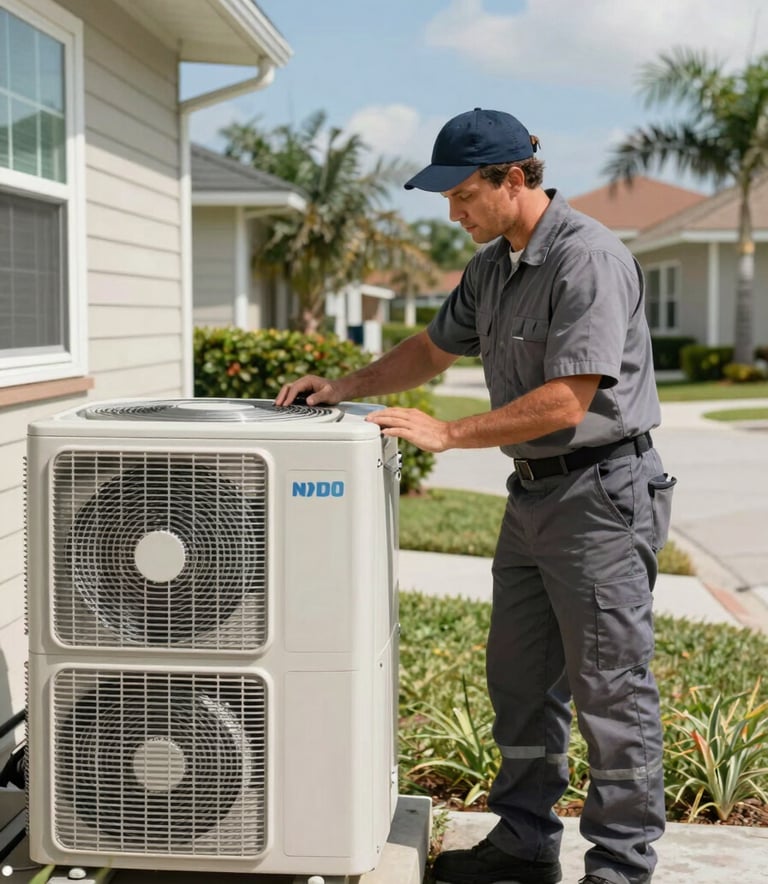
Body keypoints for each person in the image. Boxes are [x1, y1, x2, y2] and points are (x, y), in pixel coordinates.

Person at [276, 107, 675, 884]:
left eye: (462, 196)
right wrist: (345, 387)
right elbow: (432, 346)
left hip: (601, 497)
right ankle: (525, 842)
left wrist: (448, 435)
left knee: (610, 690)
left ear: (514, 179)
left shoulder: (585, 259)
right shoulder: (493, 267)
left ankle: (622, 868)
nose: (452, 213)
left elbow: (568, 400)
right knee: (520, 684)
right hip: (532, 499)